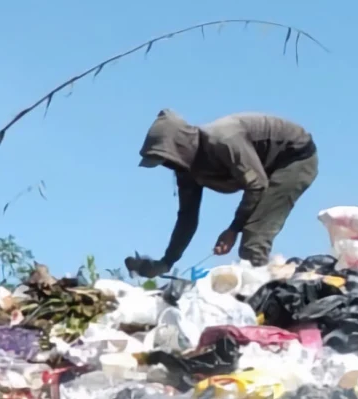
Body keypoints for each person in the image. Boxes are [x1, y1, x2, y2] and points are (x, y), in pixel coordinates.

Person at [122, 109, 318, 277]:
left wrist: (233, 229)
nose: (168, 166)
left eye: (166, 160)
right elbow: (187, 219)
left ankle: (259, 305)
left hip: (294, 158)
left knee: (254, 238)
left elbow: (256, 185)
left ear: (179, 147)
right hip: (264, 168)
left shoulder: (223, 140)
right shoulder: (186, 171)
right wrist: (166, 262)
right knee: (250, 235)